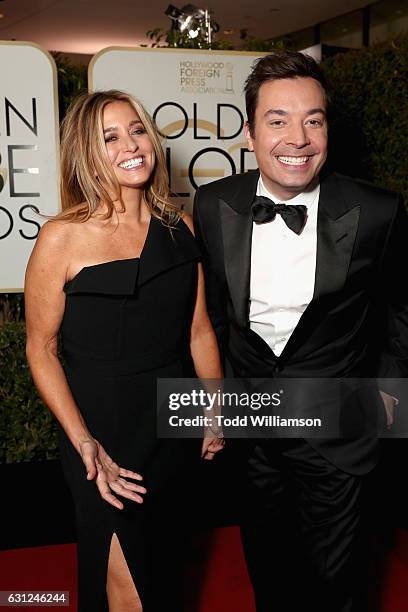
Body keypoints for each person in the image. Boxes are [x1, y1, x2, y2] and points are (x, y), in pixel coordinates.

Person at [193, 51, 408, 611]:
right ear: (248, 133)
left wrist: (390, 396)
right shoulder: (215, 204)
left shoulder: (378, 211)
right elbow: (213, 314)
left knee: (337, 589)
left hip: (341, 430)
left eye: (313, 119)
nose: (299, 137)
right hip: (255, 434)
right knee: (270, 576)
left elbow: (402, 309)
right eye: (278, 120)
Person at [25, 89, 224, 612]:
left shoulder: (177, 227)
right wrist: (83, 440)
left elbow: (199, 330)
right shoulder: (60, 237)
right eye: (109, 137)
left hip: (170, 423)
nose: (130, 145)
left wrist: (212, 408)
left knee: (164, 577)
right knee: (124, 586)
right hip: (100, 432)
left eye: (137, 130)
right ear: (84, 153)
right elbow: (41, 347)